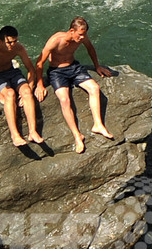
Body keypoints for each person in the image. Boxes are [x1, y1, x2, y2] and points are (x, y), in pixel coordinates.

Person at [34, 16, 114, 154]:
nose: (82, 38)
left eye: (84, 34)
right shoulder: (56, 40)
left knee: (94, 88)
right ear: (72, 31)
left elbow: (90, 48)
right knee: (64, 100)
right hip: (57, 72)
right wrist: (39, 84)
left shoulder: (82, 37)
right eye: (80, 34)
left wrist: (97, 66)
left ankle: (98, 125)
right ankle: (77, 136)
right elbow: (39, 62)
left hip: (74, 68)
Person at [0, 26, 43, 147]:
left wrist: (30, 87)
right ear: (0, 41)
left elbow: (31, 70)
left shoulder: (18, 48)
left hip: (11, 71)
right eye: (9, 42)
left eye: (14, 41)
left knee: (26, 92)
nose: (12, 45)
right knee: (10, 94)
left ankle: (33, 132)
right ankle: (15, 135)